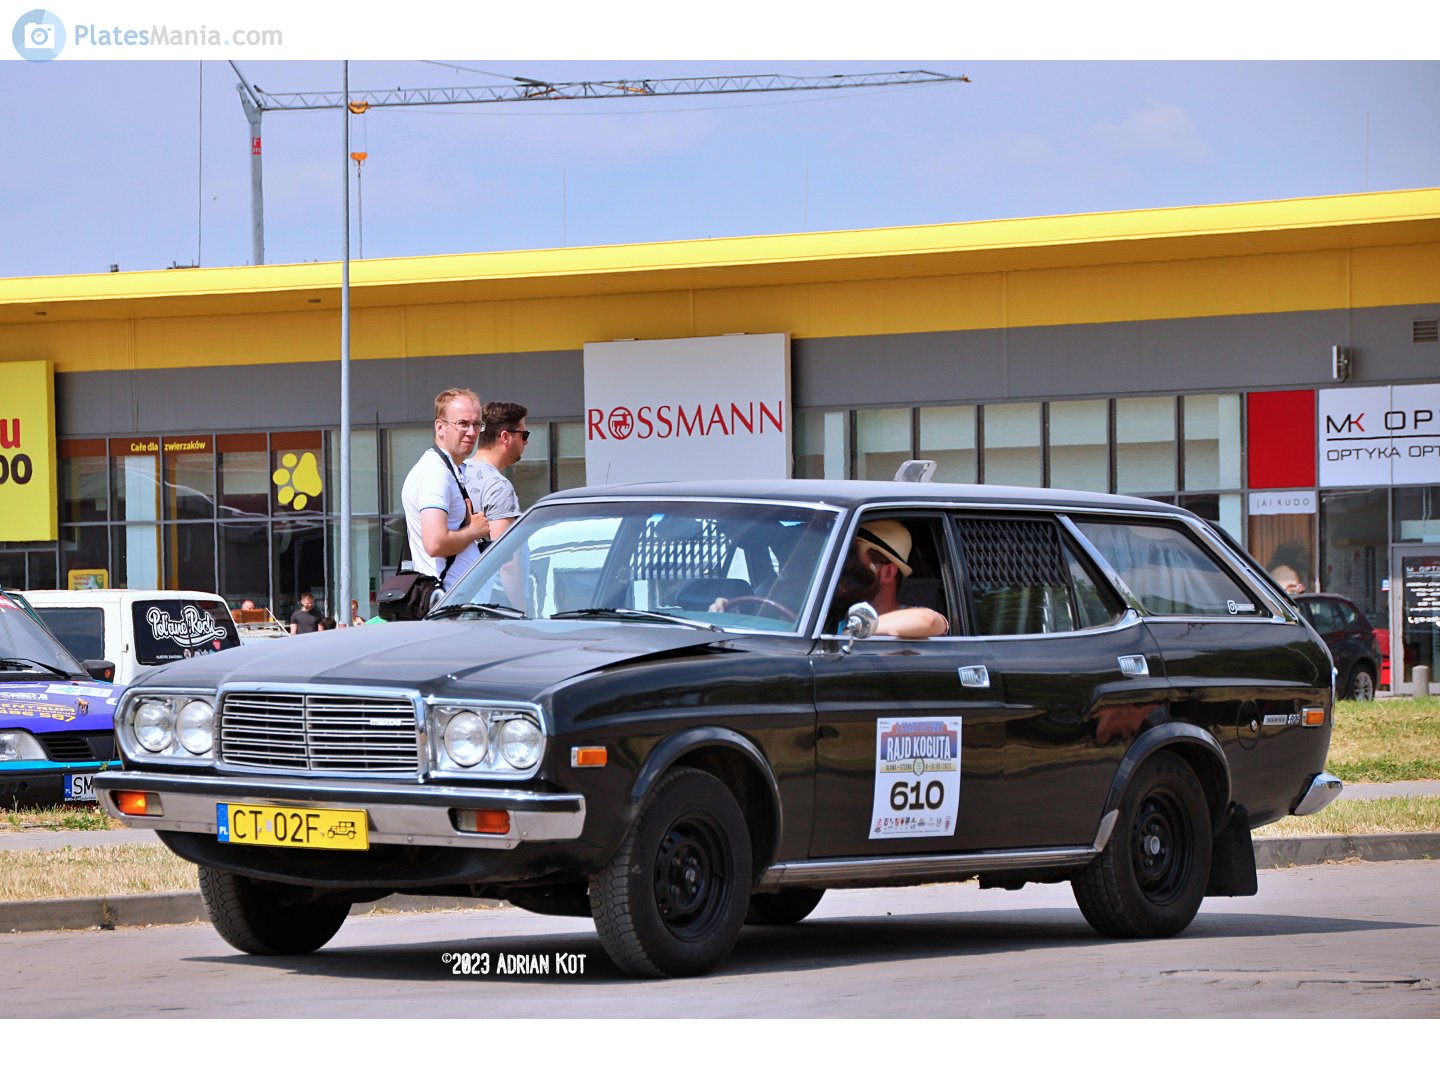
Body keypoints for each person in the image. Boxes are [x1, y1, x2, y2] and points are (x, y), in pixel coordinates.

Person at [400, 387, 491, 591]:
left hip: (454, 601)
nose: (472, 432)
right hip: (450, 602)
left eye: (477, 424)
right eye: (463, 424)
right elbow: (436, 543)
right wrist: (474, 530)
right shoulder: (436, 473)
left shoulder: (444, 469)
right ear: (440, 427)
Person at [834, 520, 948, 638]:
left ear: (888, 573)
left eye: (856, 562)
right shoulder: (833, 614)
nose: (846, 569)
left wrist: (860, 628)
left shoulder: (910, 620)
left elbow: (929, 621)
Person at [464, 401, 528, 542]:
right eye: (524, 435)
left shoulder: (457, 472)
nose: (526, 442)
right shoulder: (498, 486)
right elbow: (503, 558)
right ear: (505, 437)